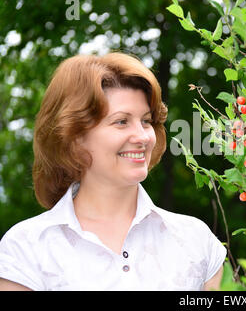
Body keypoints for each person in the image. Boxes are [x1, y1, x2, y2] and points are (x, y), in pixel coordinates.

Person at [0, 52, 226, 291]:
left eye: (146, 121)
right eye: (121, 122)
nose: (141, 137)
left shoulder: (196, 241)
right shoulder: (26, 249)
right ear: (75, 137)